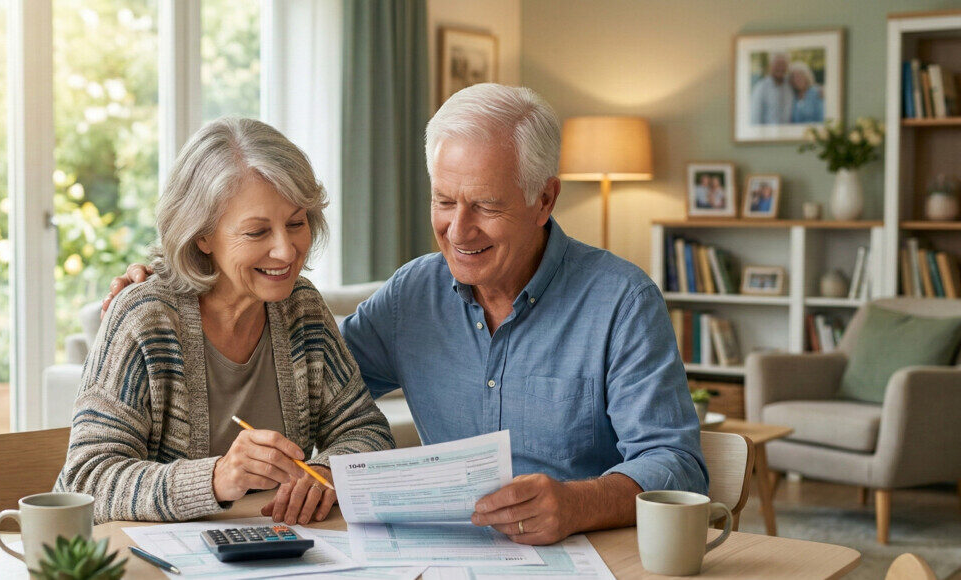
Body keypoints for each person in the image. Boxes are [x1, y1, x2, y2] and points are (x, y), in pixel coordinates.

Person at [106, 84, 707, 545]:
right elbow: (316, 383)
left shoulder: (621, 302)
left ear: (544, 198)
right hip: (440, 554)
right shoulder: (413, 295)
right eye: (444, 201)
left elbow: (677, 464)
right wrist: (176, 281)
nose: (458, 229)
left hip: (589, 555)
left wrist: (576, 505)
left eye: (487, 206)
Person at [57, 117, 394, 525]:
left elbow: (366, 431)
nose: (286, 252)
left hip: (279, 554)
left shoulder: (301, 308)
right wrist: (215, 479)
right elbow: (85, 481)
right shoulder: (146, 318)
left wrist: (326, 473)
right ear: (202, 235)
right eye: (256, 232)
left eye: (295, 223)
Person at [749, 52, 793, 125]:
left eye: (783, 65)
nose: (781, 67)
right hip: (767, 134)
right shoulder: (760, 88)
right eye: (778, 64)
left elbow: (806, 86)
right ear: (770, 66)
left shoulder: (790, 84)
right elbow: (755, 118)